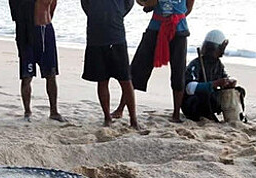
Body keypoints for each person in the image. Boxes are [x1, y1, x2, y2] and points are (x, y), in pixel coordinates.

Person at [130, 0, 195, 122]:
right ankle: (122, 108)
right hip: (155, 27)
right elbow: (143, 2)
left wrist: (174, 19)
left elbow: (188, 8)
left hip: (178, 29)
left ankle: (176, 114)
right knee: (137, 68)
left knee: (178, 72)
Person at [81, 0, 138, 128]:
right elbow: (85, 4)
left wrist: (118, 13)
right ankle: (107, 117)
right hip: (96, 37)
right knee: (102, 80)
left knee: (125, 79)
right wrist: (94, 14)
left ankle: (133, 120)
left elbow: (129, 3)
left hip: (116, 36)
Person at [9, 0, 64, 122]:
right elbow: (15, 12)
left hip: (45, 30)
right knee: (26, 76)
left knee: (51, 74)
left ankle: (54, 111)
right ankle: (27, 111)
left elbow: (52, 7)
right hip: (27, 32)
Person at [182, 29, 246, 122]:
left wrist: (228, 83)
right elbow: (189, 88)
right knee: (204, 95)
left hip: (211, 100)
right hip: (193, 104)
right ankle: (207, 116)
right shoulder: (197, 64)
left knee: (238, 91)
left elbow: (223, 78)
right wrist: (212, 84)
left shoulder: (218, 64)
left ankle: (236, 118)